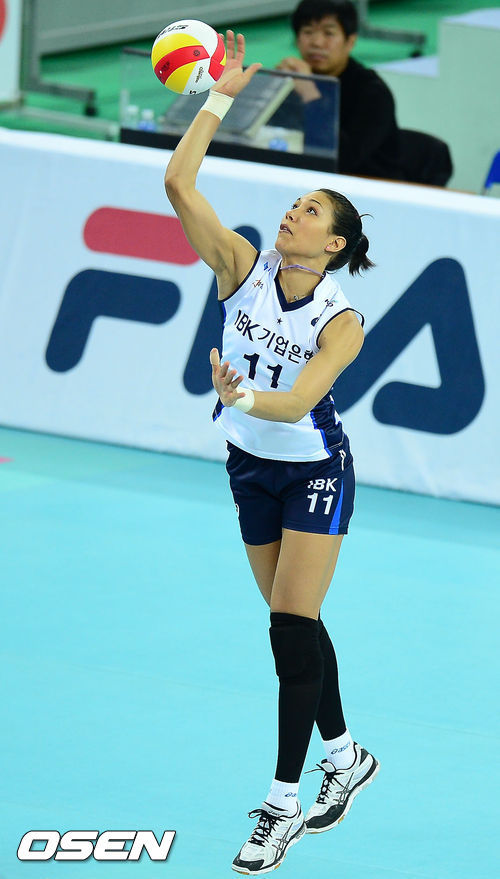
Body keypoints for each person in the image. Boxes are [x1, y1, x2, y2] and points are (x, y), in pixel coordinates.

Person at [165, 31, 379, 876]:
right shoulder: (242, 267)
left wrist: (243, 393)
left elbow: (294, 403)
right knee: (297, 624)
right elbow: (179, 184)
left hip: (314, 469)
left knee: (290, 628)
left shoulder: (341, 322)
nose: (294, 212)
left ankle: (281, 805)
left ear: (334, 245)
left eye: (312, 212)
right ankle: (348, 755)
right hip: (248, 465)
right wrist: (219, 94)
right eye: (295, 203)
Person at [274, 0, 403, 180]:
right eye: (308, 32)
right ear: (297, 39)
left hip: (364, 186)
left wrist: (310, 94)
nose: (317, 42)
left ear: (350, 42)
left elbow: (343, 159)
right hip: (304, 180)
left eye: (329, 33)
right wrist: (273, 89)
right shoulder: (293, 80)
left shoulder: (373, 93)